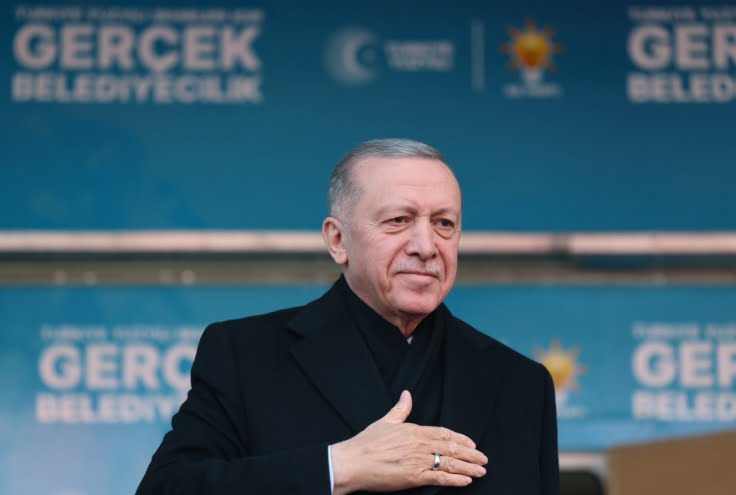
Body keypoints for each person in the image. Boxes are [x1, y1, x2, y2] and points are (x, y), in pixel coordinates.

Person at [136, 138, 559, 494]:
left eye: (444, 224)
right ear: (338, 240)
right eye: (399, 220)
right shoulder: (246, 356)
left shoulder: (521, 383)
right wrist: (339, 466)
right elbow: (167, 488)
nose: (426, 246)